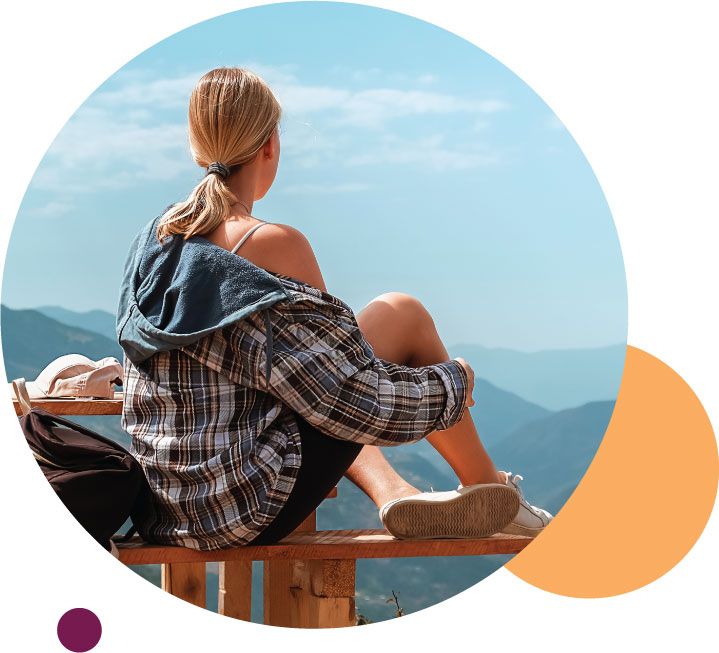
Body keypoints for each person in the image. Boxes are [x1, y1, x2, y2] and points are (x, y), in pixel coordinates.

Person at [116, 67, 551, 552]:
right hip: (241, 507)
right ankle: (491, 490)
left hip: (163, 505)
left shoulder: (154, 244)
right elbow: (348, 393)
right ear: (270, 146)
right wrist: (449, 383)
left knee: (316, 377)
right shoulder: (272, 243)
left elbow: (319, 382)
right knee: (402, 314)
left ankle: (394, 491)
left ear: (197, 149)